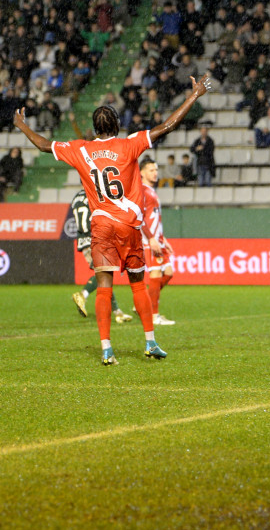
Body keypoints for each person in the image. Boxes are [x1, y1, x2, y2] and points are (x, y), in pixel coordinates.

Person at [14, 74, 212, 365]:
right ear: (117, 126)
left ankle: (107, 349)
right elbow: (167, 126)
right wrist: (194, 96)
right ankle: (150, 342)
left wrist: (21, 126)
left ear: (95, 129)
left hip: (102, 225)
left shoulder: (81, 149)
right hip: (128, 225)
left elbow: (44, 145)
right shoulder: (129, 144)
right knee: (137, 285)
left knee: (104, 286)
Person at [70, 188, 133, 324]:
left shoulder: (76, 198)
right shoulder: (95, 194)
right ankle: (83, 294)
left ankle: (117, 312)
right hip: (95, 238)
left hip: (83, 240)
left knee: (104, 275)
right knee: (104, 274)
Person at [139, 158, 176, 325]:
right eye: (151, 170)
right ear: (142, 172)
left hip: (158, 239)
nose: (155, 173)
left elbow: (154, 218)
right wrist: (151, 238)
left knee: (168, 272)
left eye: (156, 170)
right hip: (149, 240)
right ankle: (153, 315)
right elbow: (139, 217)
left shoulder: (151, 191)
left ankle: (144, 302)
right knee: (155, 274)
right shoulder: (142, 191)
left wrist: (163, 239)